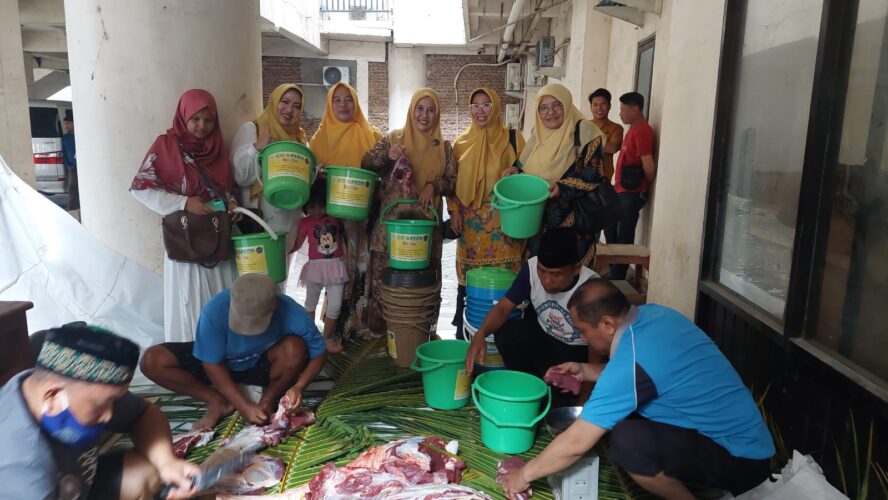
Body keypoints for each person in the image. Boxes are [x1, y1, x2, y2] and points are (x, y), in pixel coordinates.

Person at [500, 279, 775, 499]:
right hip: (746, 443)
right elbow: (648, 376)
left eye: (583, 330)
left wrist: (523, 476)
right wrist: (584, 371)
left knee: (629, 442)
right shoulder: (655, 316)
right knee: (627, 419)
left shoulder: (633, 359)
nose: (582, 337)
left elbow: (576, 442)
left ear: (607, 324)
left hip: (740, 460)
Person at [0, 324, 199, 500]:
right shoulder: (21, 468)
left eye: (115, 400)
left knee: (146, 471)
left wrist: (166, 463)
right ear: (52, 396)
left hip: (79, 483)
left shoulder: (41, 383)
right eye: (101, 405)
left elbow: (144, 413)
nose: (109, 415)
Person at [140, 273, 327, 430]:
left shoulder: (293, 313)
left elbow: (319, 352)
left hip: (261, 365)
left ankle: (268, 400)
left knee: (295, 347)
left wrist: (298, 387)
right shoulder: (215, 311)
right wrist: (241, 404)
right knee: (152, 360)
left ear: (275, 306)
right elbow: (211, 362)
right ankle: (218, 401)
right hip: (221, 364)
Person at [131, 89, 239, 343]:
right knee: (190, 302)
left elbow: (226, 189)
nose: (202, 126)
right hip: (187, 241)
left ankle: (220, 362)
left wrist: (231, 204)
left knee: (221, 299)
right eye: (195, 119)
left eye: (208, 120)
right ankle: (192, 363)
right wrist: (183, 202)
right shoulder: (166, 146)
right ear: (183, 117)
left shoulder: (217, 148)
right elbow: (140, 189)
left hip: (219, 240)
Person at [361, 88, 457, 337]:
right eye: (420, 108)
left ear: (437, 114)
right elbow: (366, 163)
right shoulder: (394, 138)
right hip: (389, 230)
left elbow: (453, 181)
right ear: (411, 110)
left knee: (424, 285)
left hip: (426, 232)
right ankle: (380, 339)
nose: (425, 115)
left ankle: (420, 336)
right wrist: (387, 154)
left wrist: (433, 185)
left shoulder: (444, 148)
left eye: (431, 109)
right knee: (384, 284)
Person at [465, 228, 597, 381]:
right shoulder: (531, 269)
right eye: (542, 271)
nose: (546, 281)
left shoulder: (591, 288)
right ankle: (528, 384)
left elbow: (596, 349)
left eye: (556, 274)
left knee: (563, 386)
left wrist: (586, 397)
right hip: (546, 339)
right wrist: (480, 334)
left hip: (576, 352)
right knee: (508, 333)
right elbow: (502, 308)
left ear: (576, 269)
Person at [448, 88, 527, 340]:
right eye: (475, 106)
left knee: (506, 283)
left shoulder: (513, 138)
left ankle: (507, 337)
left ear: (496, 109)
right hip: (470, 230)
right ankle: (466, 336)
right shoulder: (460, 143)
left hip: (504, 226)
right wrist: (453, 212)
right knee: (471, 285)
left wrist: (517, 173)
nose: (480, 111)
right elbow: (450, 182)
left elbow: (528, 173)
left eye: (486, 105)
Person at [308, 82, 382, 339]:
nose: (343, 104)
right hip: (332, 225)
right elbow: (310, 186)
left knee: (364, 268)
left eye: (348, 99)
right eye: (337, 100)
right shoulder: (319, 139)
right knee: (337, 273)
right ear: (329, 104)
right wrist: (321, 176)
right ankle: (335, 330)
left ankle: (360, 325)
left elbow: (383, 171)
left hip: (365, 219)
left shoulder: (371, 134)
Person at [518, 83, 608, 267]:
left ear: (566, 104)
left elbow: (594, 173)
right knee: (540, 276)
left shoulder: (585, 131)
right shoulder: (538, 134)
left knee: (569, 277)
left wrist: (563, 187)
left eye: (556, 105)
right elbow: (526, 165)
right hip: (537, 221)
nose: (550, 112)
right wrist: (515, 170)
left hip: (573, 224)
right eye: (543, 107)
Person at [231, 83, 308, 253]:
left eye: (297, 106)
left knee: (279, 278)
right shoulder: (253, 130)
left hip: (288, 227)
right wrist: (256, 148)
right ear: (274, 102)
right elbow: (239, 176)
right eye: (285, 102)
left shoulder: (299, 139)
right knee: (256, 278)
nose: (289, 109)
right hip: (258, 223)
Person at [605, 91, 657, 280]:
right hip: (621, 190)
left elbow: (648, 165)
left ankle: (618, 274)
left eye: (623, 109)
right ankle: (614, 267)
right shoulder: (632, 130)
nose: (620, 113)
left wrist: (643, 187)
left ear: (635, 109)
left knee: (624, 234)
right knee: (610, 225)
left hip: (632, 193)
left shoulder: (643, 131)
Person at [292, 181, 348, 353]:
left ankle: (326, 339)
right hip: (315, 268)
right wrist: (281, 252)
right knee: (310, 303)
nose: (316, 211)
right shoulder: (304, 222)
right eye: (312, 206)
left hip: (336, 267)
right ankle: (312, 338)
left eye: (321, 206)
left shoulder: (338, 218)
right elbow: (296, 244)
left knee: (335, 305)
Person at [587, 88, 623, 184]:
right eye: (595, 104)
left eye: (603, 104)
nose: (599, 108)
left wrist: (585, 141)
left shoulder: (616, 128)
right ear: (591, 106)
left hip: (603, 179)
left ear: (609, 106)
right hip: (581, 178)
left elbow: (612, 148)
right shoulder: (583, 125)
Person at [61, 111, 79, 210]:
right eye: (64, 124)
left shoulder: (80, 136)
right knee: (72, 188)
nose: (66, 126)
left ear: (73, 123)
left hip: (83, 167)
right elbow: (64, 152)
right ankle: (71, 208)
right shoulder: (65, 138)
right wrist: (68, 165)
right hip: (72, 168)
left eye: (68, 123)